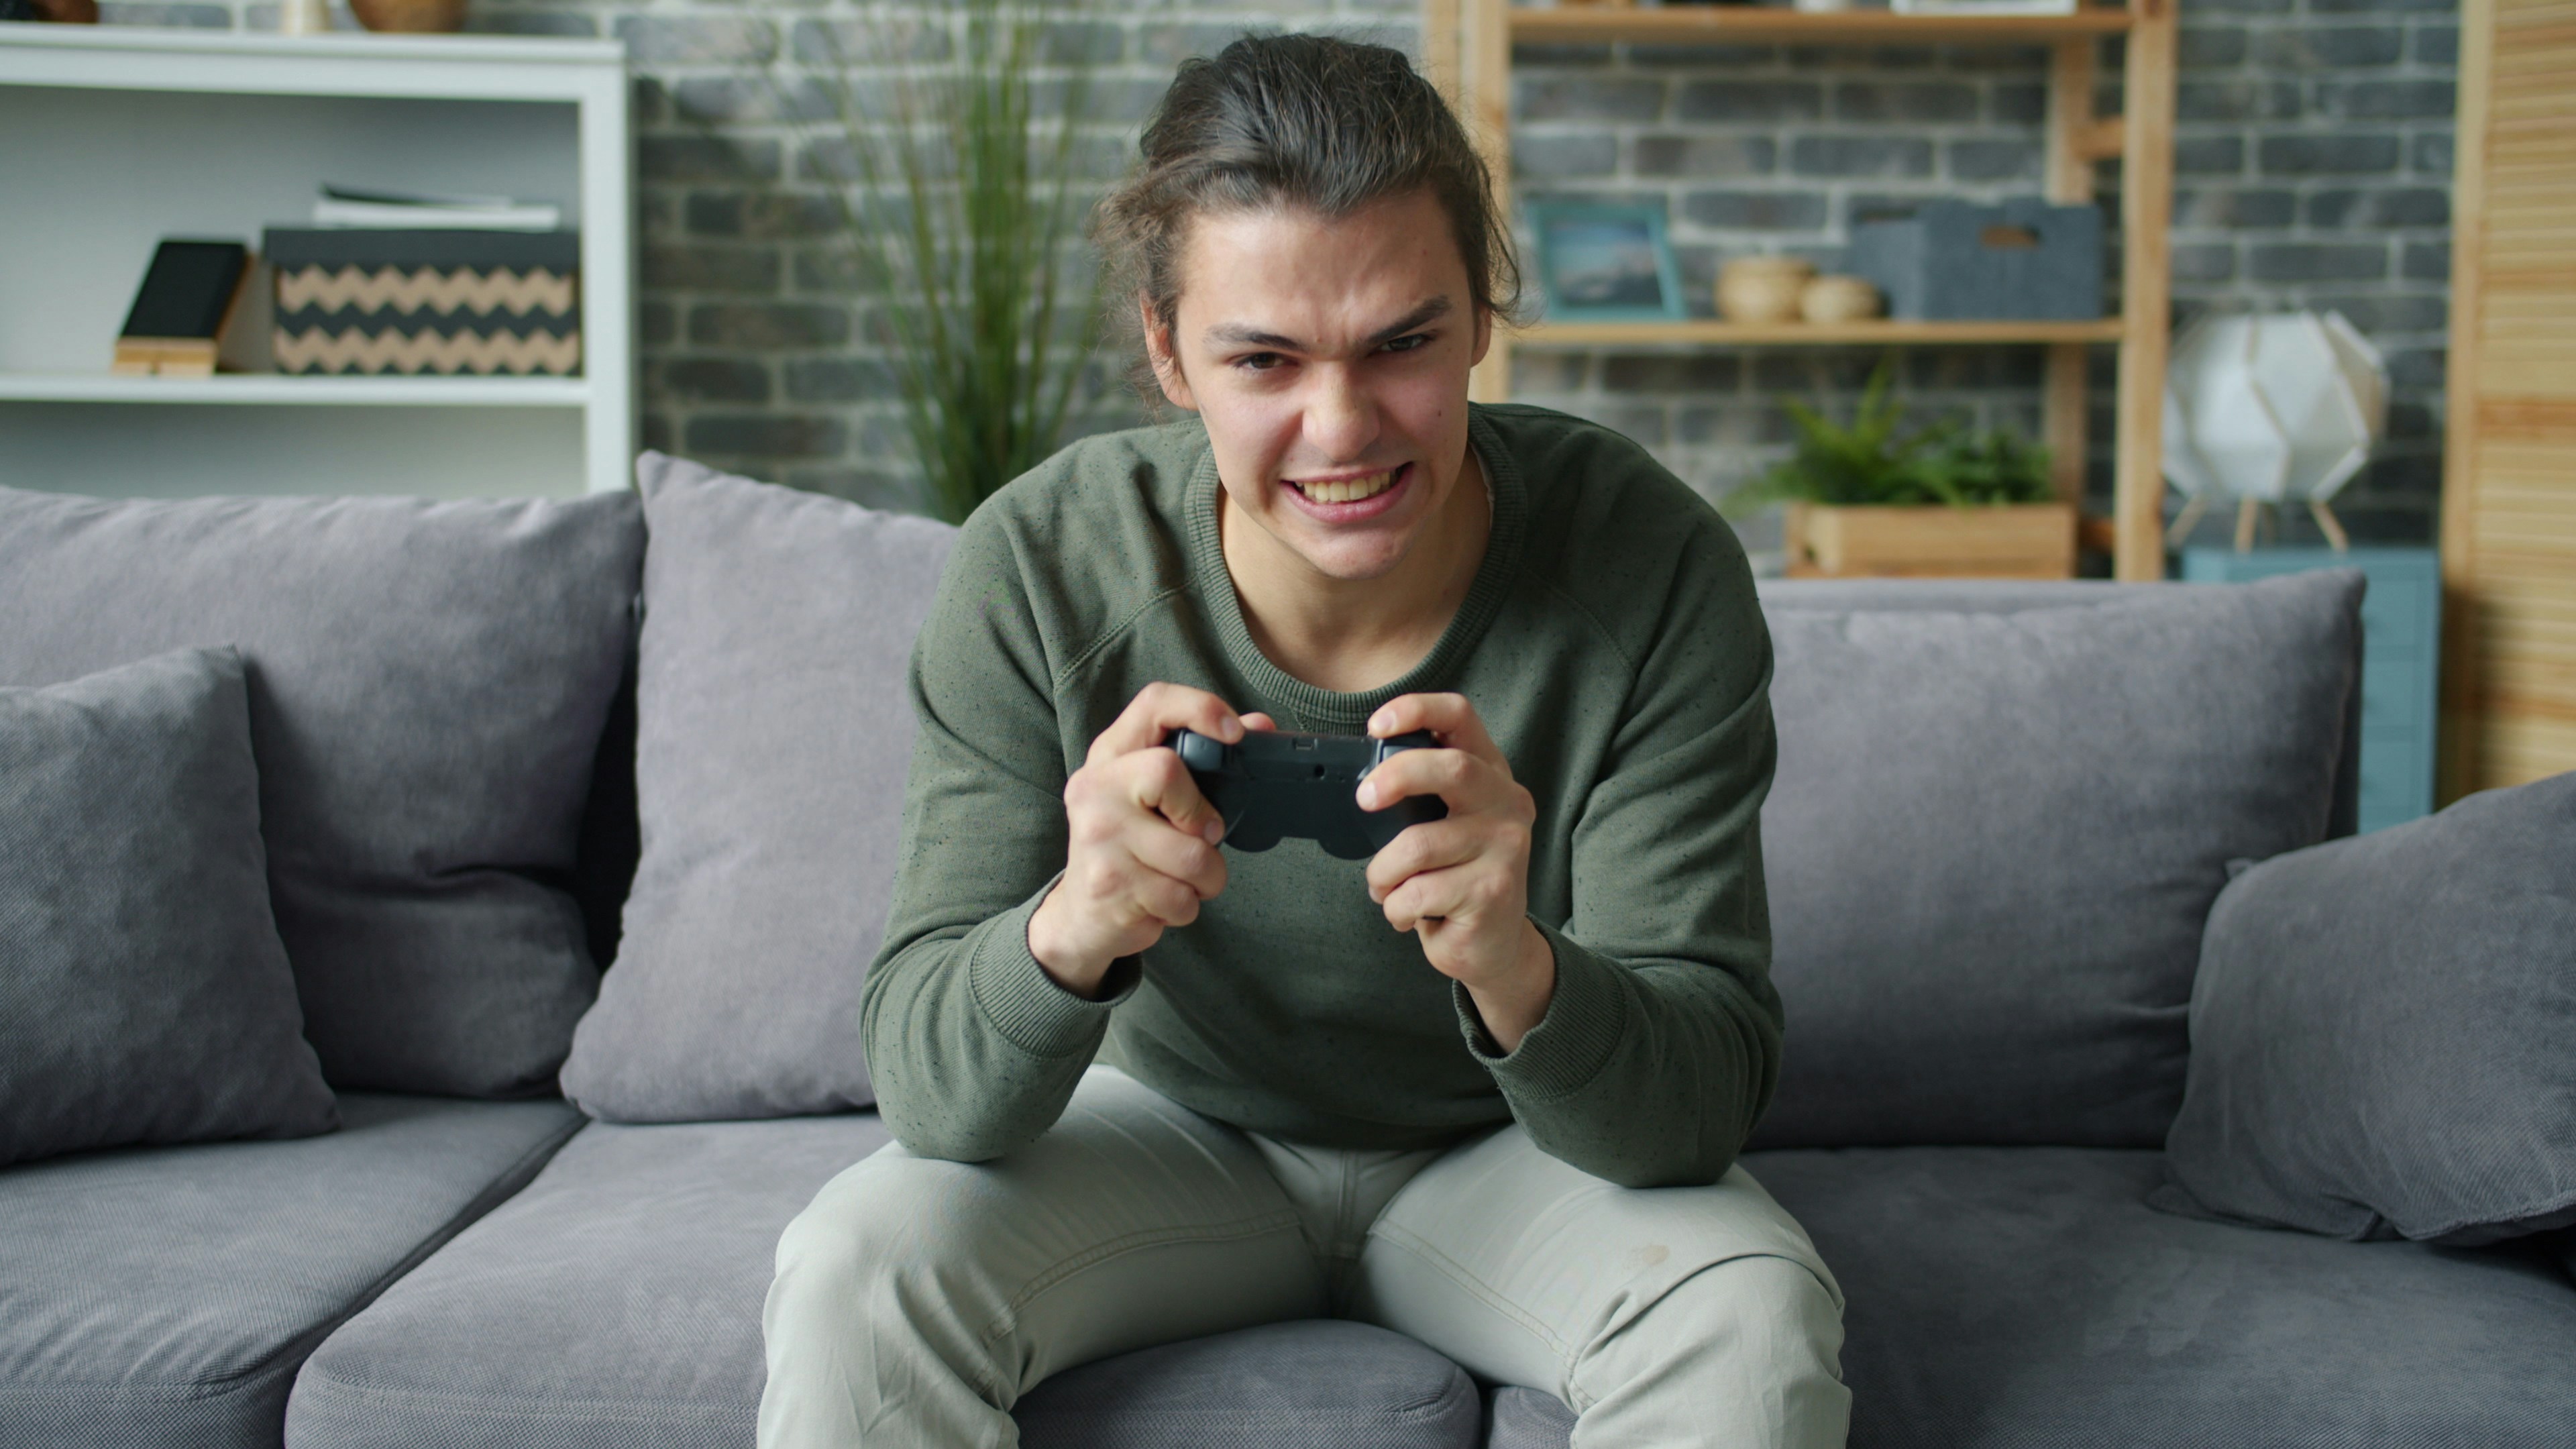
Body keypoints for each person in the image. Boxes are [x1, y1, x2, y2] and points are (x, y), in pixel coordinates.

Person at [757, 33, 1850, 1449]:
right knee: (855, 1273)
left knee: (1747, 1322)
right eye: (1264, 359)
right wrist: (1069, 929)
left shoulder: (1650, 563)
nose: (1342, 431)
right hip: (1164, 1135)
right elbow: (928, 1093)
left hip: (1511, 1156)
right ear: (1168, 352)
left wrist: (1520, 965)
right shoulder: (1041, 566)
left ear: (1481, 317)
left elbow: (1695, 1114)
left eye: (1403, 344)